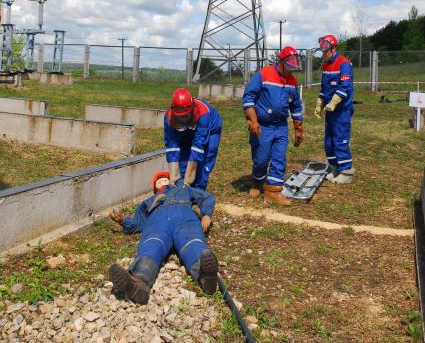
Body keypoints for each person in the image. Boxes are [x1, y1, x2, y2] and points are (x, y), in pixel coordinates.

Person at [108, 171, 218, 304]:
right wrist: (123, 221)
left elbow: (207, 197)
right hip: (157, 221)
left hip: (183, 215)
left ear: (170, 181)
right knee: (151, 245)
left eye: (165, 179)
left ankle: (205, 276)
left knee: (192, 241)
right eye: (158, 181)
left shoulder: (184, 189)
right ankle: (138, 283)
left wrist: (206, 214)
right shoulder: (147, 202)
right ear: (154, 188)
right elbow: (137, 223)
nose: (162, 182)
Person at [242, 46, 304, 206]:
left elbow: (296, 106)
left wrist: (298, 129)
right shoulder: (264, 74)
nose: (291, 70)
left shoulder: (292, 81)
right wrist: (253, 121)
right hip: (263, 126)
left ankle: (273, 191)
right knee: (261, 158)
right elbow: (248, 97)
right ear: (280, 62)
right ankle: (257, 182)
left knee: (279, 158)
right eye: (289, 66)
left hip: (281, 126)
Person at [314, 34, 354, 184]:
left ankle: (346, 170)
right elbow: (325, 87)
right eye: (322, 51)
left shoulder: (344, 64)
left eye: (326, 51)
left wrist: (334, 102)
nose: (323, 54)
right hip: (330, 111)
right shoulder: (326, 65)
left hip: (341, 110)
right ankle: (335, 167)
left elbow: (345, 87)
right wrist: (320, 102)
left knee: (340, 139)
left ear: (333, 48)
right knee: (329, 140)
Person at [164, 88, 222, 190]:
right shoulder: (168, 118)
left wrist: (188, 180)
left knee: (204, 160)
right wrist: (174, 177)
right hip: (187, 130)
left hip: (211, 129)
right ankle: (181, 191)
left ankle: (198, 191)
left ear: (192, 109)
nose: (182, 119)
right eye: (179, 117)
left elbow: (198, 147)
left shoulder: (204, 114)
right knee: (183, 159)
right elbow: (172, 147)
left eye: (185, 116)